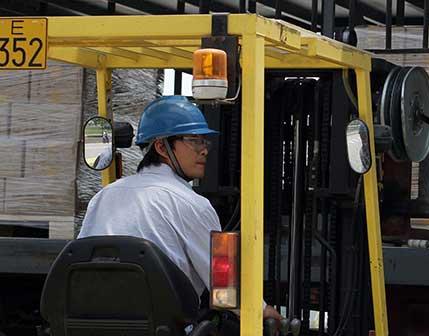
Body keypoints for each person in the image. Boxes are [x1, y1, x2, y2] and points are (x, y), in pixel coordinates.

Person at [79, 95, 282, 321]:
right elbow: (226, 291)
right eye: (194, 141)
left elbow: (81, 262)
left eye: (204, 141)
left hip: (90, 330)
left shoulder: (103, 196)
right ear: (161, 147)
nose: (204, 150)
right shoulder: (194, 205)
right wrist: (266, 314)